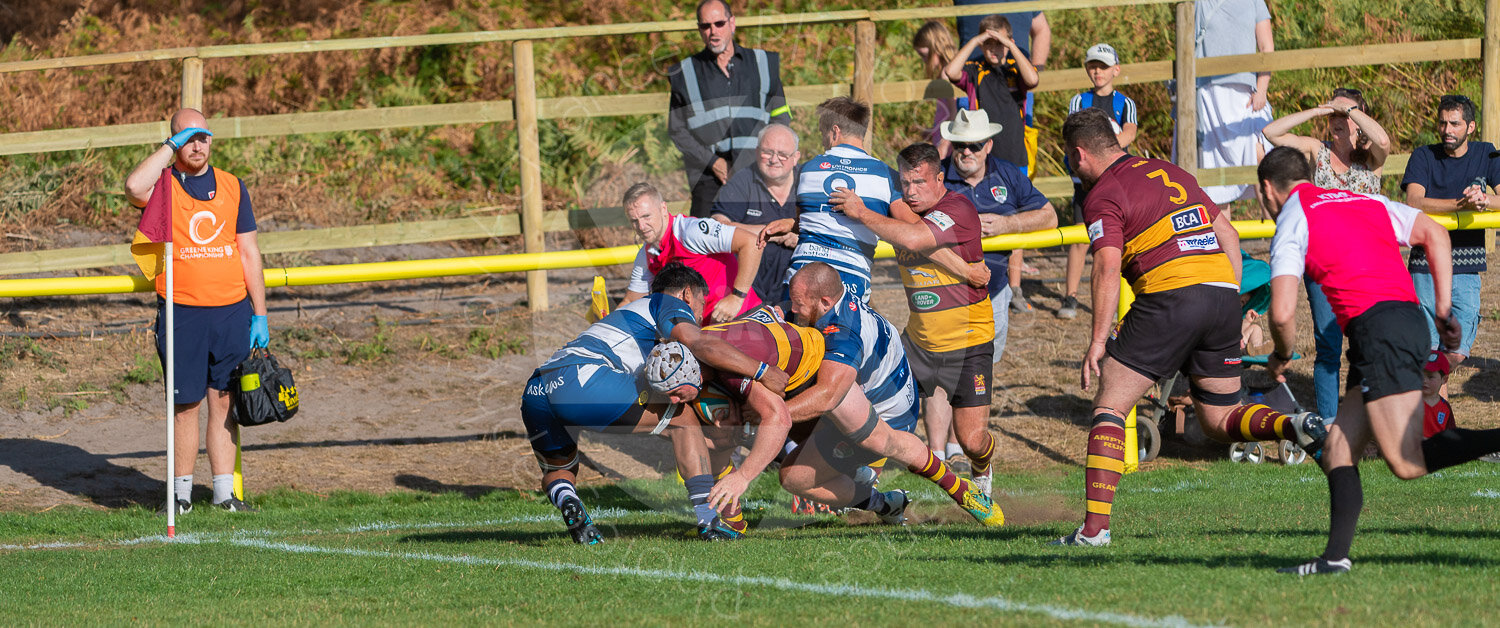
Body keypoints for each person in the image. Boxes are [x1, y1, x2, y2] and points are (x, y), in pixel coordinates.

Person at [1056, 109, 1327, 547]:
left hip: (1170, 295)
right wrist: (1231, 304)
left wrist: (1097, 340)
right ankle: (1293, 425)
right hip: (1221, 296)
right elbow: (1230, 236)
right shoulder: (1169, 171)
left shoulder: (1102, 192)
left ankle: (1093, 531)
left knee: (1110, 407)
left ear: (1079, 154)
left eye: (1070, 160)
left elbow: (1106, 267)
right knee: (1220, 419)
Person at [1257, 146, 1500, 575]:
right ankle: (1334, 559)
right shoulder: (1363, 199)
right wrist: (1443, 311)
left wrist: (1280, 356)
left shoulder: (1294, 217)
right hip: (1398, 324)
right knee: (1338, 449)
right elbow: (1435, 234)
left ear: (1266, 190)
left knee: (1406, 461)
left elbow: (1281, 314)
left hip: (1379, 331)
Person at [520, 263, 789, 544]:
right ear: (687, 294)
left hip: (537, 390)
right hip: (583, 378)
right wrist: (762, 371)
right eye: (702, 303)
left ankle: (568, 501)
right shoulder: (667, 303)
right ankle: (709, 522)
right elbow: (701, 345)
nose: (700, 314)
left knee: (558, 470)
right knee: (682, 420)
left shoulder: (633, 317)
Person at [837, 142, 1006, 498]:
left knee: (972, 440)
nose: (911, 191)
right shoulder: (899, 206)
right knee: (875, 406)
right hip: (918, 343)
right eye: (905, 183)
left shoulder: (957, 207)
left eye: (920, 182)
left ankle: (982, 465)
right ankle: (862, 483)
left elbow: (916, 238)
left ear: (940, 179)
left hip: (968, 341)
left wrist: (861, 212)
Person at [123, 108, 268, 515]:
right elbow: (133, 186)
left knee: (224, 402)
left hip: (231, 312)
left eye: (202, 136)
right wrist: (169, 148)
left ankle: (225, 495)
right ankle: (181, 496)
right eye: (187, 138)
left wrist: (260, 314)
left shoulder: (233, 186)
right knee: (185, 406)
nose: (197, 145)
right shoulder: (164, 186)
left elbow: (249, 252)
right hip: (182, 311)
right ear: (175, 143)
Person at [781, 262, 1004, 525]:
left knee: (797, 475)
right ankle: (879, 494)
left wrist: (773, 415)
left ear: (825, 301)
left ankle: (954, 492)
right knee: (794, 460)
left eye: (798, 303)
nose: (792, 309)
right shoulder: (838, 301)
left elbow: (827, 396)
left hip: (889, 416)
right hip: (883, 397)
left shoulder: (843, 334)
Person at [759, 97, 986, 303]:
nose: (822, 141)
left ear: (835, 131)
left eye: (822, 133)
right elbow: (917, 235)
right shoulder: (885, 175)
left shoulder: (808, 170)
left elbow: (815, 222)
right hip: (848, 284)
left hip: (800, 278)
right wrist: (966, 271)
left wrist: (792, 223)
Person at [1262, 87, 1392, 420]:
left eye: (1345, 115)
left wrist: (1350, 111)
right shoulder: (1316, 151)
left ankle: (1374, 419)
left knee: (1369, 342)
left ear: (1360, 118)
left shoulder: (1371, 159)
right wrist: (1318, 110)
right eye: (1334, 114)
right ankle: (1330, 424)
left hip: (1365, 263)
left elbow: (1383, 140)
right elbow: (1271, 132)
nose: (1338, 120)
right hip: (1323, 263)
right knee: (1329, 345)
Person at [939, 108, 1056, 361]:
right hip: (946, 294)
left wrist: (1008, 224)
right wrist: (962, 226)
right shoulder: (936, 177)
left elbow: (1050, 217)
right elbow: (911, 220)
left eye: (975, 145)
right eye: (959, 144)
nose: (966, 151)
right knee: (947, 371)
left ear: (989, 145)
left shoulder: (1008, 173)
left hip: (995, 293)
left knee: (986, 368)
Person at [1401, 94, 1500, 373]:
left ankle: (1432, 393)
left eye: (1455, 124)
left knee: (1457, 349)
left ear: (1471, 127)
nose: (1447, 130)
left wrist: (1484, 200)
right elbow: (1414, 201)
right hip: (1425, 263)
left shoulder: (1486, 153)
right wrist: (1461, 204)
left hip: (1466, 264)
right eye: (1443, 123)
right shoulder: (1423, 155)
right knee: (1427, 349)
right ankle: (1427, 398)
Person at [668, 0, 791, 218]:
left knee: (764, 235)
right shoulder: (684, 74)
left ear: (732, 23)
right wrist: (713, 162)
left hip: (759, 174)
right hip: (709, 179)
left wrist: (769, 159)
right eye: (705, 26)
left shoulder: (763, 63)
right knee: (706, 237)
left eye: (719, 23)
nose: (713, 32)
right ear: (699, 29)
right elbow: (677, 131)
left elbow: (781, 116)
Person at [1060, 43, 1139, 320]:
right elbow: (1072, 133)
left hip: (1115, 181)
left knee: (1117, 241)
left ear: (1116, 70)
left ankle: (1121, 298)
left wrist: (1103, 151)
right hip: (1084, 181)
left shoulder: (1125, 103)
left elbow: (1130, 132)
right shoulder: (1078, 101)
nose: (1097, 72)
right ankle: (1070, 296)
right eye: (1093, 66)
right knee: (1079, 238)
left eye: (1103, 67)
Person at [621, 182, 763, 324]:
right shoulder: (646, 254)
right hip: (706, 329)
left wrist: (736, 298)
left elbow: (751, 243)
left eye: (646, 216)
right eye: (634, 221)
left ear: (663, 209)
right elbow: (632, 300)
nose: (641, 226)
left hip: (744, 317)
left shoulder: (691, 231)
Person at [1191, 0, 1275, 205]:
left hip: (1246, 91)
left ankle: (1277, 220)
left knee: (1262, 157)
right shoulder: (1200, 2)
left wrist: (1262, 89)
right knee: (1214, 172)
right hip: (1208, 91)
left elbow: (1267, 47)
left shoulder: (1255, 2)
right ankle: (1224, 226)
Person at [710, 124, 800, 304]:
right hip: (748, 291)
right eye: (767, 152)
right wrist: (773, 233)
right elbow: (717, 226)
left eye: (783, 154)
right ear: (757, 151)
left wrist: (802, 237)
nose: (774, 160)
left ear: (796, 157)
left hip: (797, 292)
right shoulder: (742, 181)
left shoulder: (808, 183)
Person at [944, 15, 1037, 178]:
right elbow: (951, 72)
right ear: (981, 45)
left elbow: (1032, 80)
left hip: (1015, 152)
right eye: (988, 44)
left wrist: (1011, 46)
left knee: (1019, 192)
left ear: (1009, 42)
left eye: (999, 43)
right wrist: (974, 41)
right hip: (983, 154)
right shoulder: (975, 70)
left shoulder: (1016, 69)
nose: (993, 49)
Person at [911, 21, 960, 158]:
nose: (923, 60)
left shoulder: (947, 75)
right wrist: (933, 131)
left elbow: (954, 112)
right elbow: (945, 113)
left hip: (949, 144)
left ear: (936, 47)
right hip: (945, 137)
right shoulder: (944, 74)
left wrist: (944, 144)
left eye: (924, 55)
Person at [1421, 351, 1454, 439]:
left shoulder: (1445, 407)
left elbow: (1452, 434)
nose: (1424, 380)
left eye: (1430, 377)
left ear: (1444, 379)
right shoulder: (1411, 403)